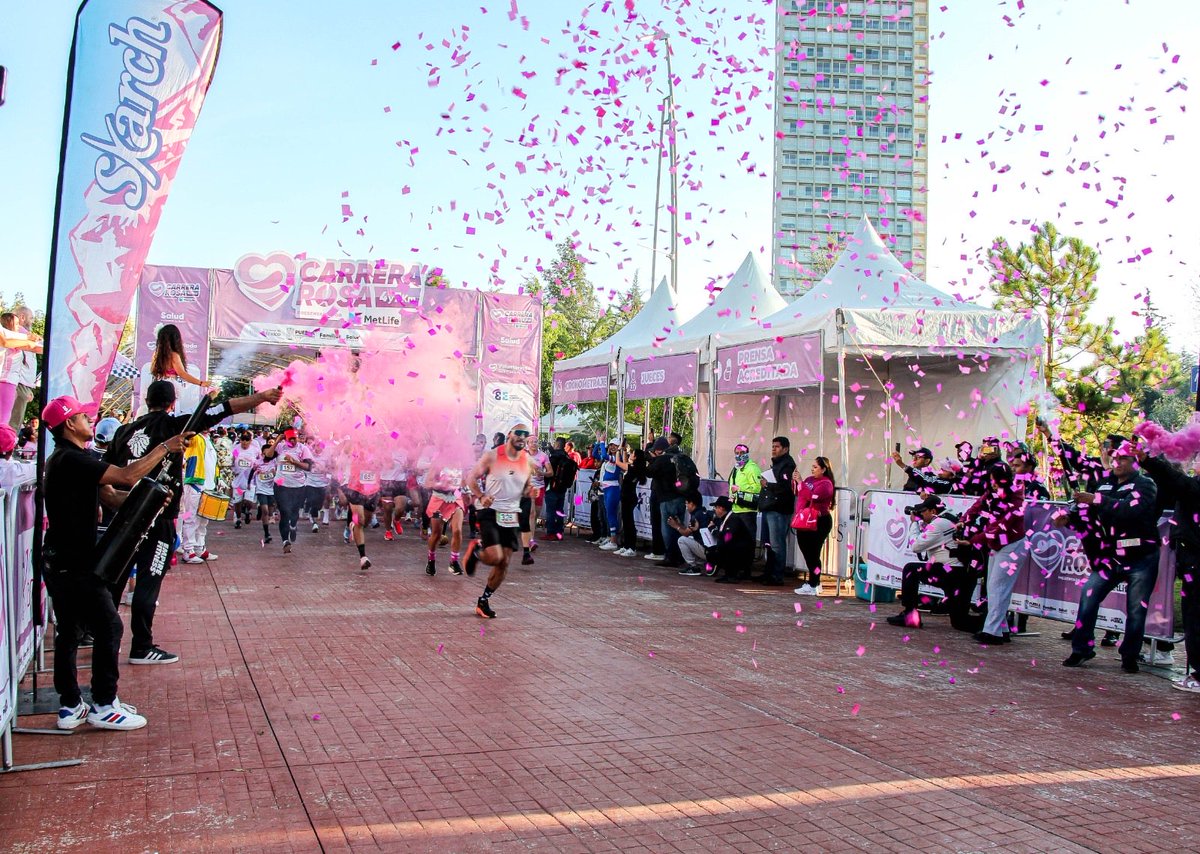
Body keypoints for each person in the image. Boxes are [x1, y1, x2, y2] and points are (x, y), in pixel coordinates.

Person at [105, 381, 281, 664]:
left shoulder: (123, 432)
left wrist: (116, 501)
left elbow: (106, 475)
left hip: (124, 518)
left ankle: (104, 639)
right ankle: (141, 646)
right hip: (158, 517)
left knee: (116, 578)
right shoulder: (176, 426)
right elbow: (224, 409)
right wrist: (261, 396)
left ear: (147, 401)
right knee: (149, 581)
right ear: (172, 403)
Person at [42, 394, 189, 730]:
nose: (89, 420)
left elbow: (111, 495)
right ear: (69, 424)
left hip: (62, 561)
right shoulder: (71, 459)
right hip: (74, 564)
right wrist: (164, 448)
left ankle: (70, 705)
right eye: (83, 416)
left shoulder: (71, 459)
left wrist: (150, 501)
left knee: (70, 631)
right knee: (110, 627)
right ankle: (105, 704)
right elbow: (126, 475)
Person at [1058, 442, 1160, 672]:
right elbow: (1092, 518)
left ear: (1135, 462)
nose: (1117, 462)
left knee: (1136, 609)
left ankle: (1129, 656)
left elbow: (1129, 510)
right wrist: (1070, 520)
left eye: (1123, 458)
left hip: (1141, 557)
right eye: (1114, 458)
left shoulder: (1146, 484)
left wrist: (1096, 499)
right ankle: (1081, 649)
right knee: (1088, 596)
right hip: (1110, 557)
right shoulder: (1104, 484)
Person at [1136, 444, 1200, 691]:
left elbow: (1178, 482)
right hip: (1190, 558)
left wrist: (1150, 461)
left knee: (1195, 616)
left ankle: (1198, 675)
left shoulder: (1193, 487)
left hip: (1196, 560)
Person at [465, 423, 533, 618]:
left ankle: (483, 601)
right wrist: (480, 496)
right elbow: (471, 478)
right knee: (495, 557)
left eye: (526, 434)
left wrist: (530, 491)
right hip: (490, 510)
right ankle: (477, 551)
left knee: (504, 563)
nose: (522, 437)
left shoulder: (527, 460)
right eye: (518, 433)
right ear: (510, 434)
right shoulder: (493, 456)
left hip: (511, 514)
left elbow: (526, 487)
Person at [887, 496, 980, 631]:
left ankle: (910, 615)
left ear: (933, 511)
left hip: (950, 572)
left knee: (910, 569)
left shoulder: (938, 524)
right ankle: (994, 624)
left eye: (923, 511)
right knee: (960, 622)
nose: (921, 515)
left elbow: (916, 546)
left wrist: (914, 524)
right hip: (963, 575)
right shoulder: (950, 517)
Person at [959, 462, 1026, 645]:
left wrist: (973, 540)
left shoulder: (1016, 500)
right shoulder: (991, 493)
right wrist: (964, 520)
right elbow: (977, 506)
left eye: (995, 480)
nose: (993, 483)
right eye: (991, 480)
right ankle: (1002, 629)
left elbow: (1000, 526)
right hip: (997, 545)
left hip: (1013, 545)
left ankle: (992, 631)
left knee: (998, 588)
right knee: (994, 587)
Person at [792, 456, 835, 595]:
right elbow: (800, 492)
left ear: (823, 469)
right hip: (804, 519)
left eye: (815, 467)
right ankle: (815, 582)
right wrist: (796, 481)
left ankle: (813, 584)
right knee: (807, 552)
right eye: (812, 466)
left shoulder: (826, 484)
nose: (812, 469)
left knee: (813, 554)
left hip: (819, 521)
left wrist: (801, 483)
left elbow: (812, 496)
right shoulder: (809, 480)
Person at [758, 437, 797, 586]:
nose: (774, 449)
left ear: (785, 449)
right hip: (770, 507)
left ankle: (777, 575)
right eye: (773, 446)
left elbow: (785, 487)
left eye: (777, 447)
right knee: (769, 543)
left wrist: (768, 485)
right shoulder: (778, 464)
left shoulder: (787, 465)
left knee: (777, 543)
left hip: (779, 509)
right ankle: (769, 572)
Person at [424, 454, 468, 576]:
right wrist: (441, 484)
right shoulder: (438, 462)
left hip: (455, 499)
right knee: (436, 534)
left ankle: (454, 562)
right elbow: (427, 483)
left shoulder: (461, 461)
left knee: (457, 530)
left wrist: (467, 492)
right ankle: (431, 560)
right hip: (439, 500)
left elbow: (463, 481)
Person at [180, 430, 219, 564]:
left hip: (208, 486)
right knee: (191, 518)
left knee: (203, 521)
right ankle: (188, 550)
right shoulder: (195, 438)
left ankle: (199, 548)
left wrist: (217, 480)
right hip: (195, 484)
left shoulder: (208, 440)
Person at [148, 323, 207, 413]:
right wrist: (201, 383)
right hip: (170, 387)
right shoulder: (173, 355)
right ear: (175, 339)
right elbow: (182, 374)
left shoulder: (156, 355)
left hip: (157, 386)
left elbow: (153, 371)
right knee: (170, 413)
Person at [273, 428, 314, 553]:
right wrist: (276, 441)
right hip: (281, 485)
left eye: (294, 438)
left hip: (298, 486)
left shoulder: (303, 449)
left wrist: (294, 462)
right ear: (285, 438)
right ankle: (285, 541)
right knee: (285, 512)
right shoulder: (280, 447)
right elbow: (267, 456)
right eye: (289, 439)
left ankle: (293, 526)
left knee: (294, 511)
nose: (292, 441)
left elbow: (308, 467)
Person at [0, 307, 42, 429]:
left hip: (11, 382)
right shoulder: (11, 338)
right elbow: (30, 346)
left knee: (5, 420)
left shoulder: (13, 337)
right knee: (5, 421)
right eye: (17, 324)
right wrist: (29, 340)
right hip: (7, 381)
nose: (19, 327)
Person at [341, 448, 379, 570]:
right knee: (360, 521)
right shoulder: (354, 445)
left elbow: (388, 463)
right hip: (355, 487)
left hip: (372, 488)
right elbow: (347, 450)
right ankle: (363, 557)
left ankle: (353, 524)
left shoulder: (379, 446)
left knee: (365, 522)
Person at [727, 443, 762, 571]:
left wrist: (740, 489)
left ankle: (746, 569)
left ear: (747, 453)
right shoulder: (736, 468)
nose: (739, 456)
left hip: (748, 510)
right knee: (734, 539)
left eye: (742, 453)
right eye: (737, 453)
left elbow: (758, 488)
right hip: (736, 508)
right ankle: (736, 567)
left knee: (748, 540)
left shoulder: (752, 468)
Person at [711, 496, 755, 583]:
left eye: (716, 507)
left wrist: (713, 530)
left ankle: (732, 575)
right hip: (738, 550)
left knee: (724, 547)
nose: (714, 510)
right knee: (716, 548)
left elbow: (727, 537)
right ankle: (729, 574)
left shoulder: (733, 519)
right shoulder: (725, 518)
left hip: (742, 554)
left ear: (721, 508)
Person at [615, 446, 646, 556]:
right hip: (626, 497)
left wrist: (618, 451)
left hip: (630, 497)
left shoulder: (634, 468)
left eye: (633, 453)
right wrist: (623, 451)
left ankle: (632, 547)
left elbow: (618, 462)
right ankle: (626, 545)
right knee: (626, 522)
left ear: (636, 457)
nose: (631, 454)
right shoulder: (633, 467)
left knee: (629, 523)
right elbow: (625, 462)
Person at [672, 491, 713, 575]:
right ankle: (703, 562)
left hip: (707, 550)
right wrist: (679, 524)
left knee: (682, 540)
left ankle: (693, 567)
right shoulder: (702, 511)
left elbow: (686, 533)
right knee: (689, 538)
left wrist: (676, 526)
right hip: (710, 549)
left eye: (687, 503)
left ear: (692, 504)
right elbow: (690, 531)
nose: (686, 506)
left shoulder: (696, 515)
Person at [544, 437, 576, 540]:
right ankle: (559, 533)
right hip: (562, 488)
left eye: (555, 443)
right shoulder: (566, 456)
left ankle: (551, 533)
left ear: (557, 444)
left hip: (552, 487)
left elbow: (549, 473)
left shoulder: (553, 457)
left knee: (550, 511)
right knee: (559, 510)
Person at [597, 441, 623, 551]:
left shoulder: (617, 458)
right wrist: (598, 442)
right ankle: (612, 539)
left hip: (612, 489)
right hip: (607, 489)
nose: (612, 447)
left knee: (611, 514)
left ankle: (613, 541)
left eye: (615, 445)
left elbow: (603, 455)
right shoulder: (611, 458)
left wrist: (602, 442)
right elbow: (596, 454)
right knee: (609, 514)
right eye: (611, 445)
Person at [230, 431, 259, 528]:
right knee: (237, 502)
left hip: (250, 481)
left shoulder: (255, 450)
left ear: (250, 441)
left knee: (248, 502)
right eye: (243, 439)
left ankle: (248, 511)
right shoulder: (236, 449)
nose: (245, 442)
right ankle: (238, 519)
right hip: (238, 481)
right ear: (240, 440)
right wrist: (233, 470)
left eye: (247, 440)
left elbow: (260, 460)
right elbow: (232, 460)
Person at [304, 437, 332, 532]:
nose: (318, 448)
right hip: (310, 482)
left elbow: (330, 469)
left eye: (320, 446)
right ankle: (314, 523)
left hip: (322, 483)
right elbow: (304, 466)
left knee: (319, 504)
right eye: (316, 446)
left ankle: (314, 514)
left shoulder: (326, 457)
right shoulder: (309, 455)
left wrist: (325, 471)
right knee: (312, 500)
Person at [254, 437, 279, 543]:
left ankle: (263, 512)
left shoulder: (275, 463)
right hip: (261, 490)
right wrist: (250, 482)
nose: (267, 455)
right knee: (265, 511)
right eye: (265, 453)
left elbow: (279, 476)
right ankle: (267, 533)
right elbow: (251, 473)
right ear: (262, 453)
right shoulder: (257, 463)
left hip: (271, 490)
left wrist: (275, 474)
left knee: (270, 511)